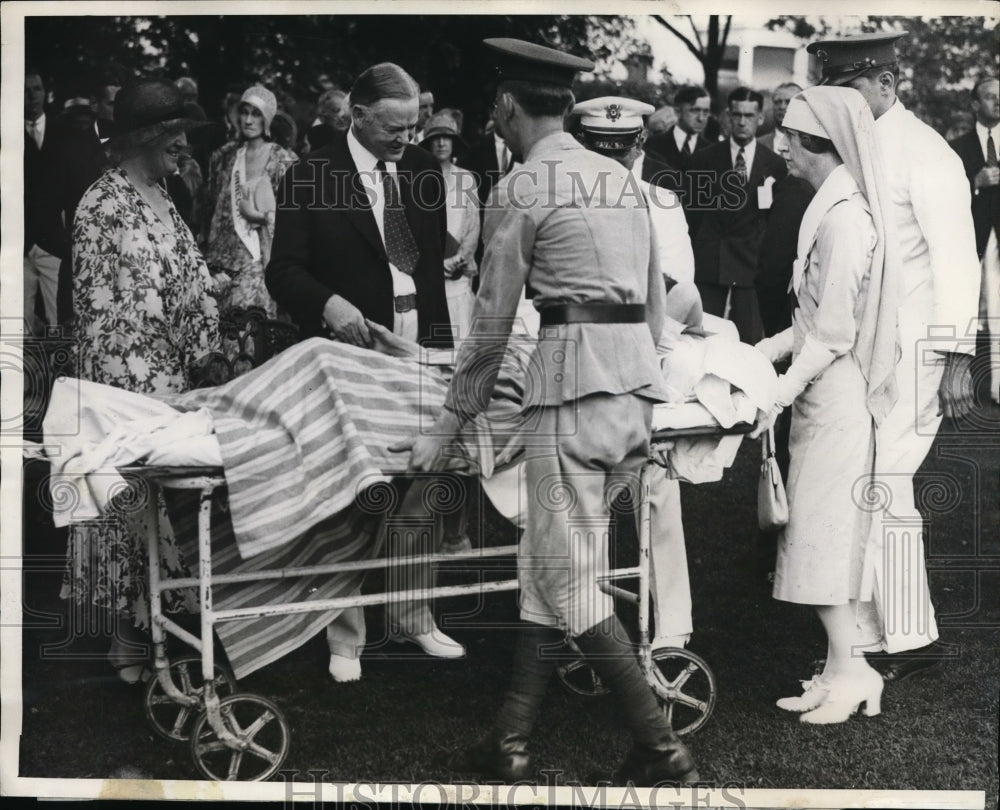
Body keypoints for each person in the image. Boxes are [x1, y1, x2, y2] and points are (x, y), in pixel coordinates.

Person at [400, 38, 700, 786]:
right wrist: (640, 383)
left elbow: (491, 326)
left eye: (493, 108)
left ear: (505, 108)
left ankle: (663, 750)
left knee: (568, 582)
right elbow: (658, 308)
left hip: (567, 395)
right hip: (631, 397)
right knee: (555, 568)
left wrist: (447, 425)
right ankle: (508, 741)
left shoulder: (521, 187)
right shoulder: (622, 180)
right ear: (564, 104)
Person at [266, 62, 457, 680]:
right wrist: (329, 304)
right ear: (357, 112)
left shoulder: (426, 170)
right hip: (346, 345)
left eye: (414, 126)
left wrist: (437, 345)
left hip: (417, 340)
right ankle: (344, 635)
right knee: (353, 487)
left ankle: (413, 616)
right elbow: (283, 270)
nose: (407, 138)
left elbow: (428, 269)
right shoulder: (310, 174)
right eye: (395, 128)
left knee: (423, 481)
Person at [807, 32, 981, 682]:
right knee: (872, 486)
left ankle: (907, 637)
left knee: (881, 485)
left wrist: (958, 355)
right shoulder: (853, 152)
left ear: (888, 81)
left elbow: (957, 264)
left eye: (852, 87)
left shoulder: (928, 153)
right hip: (862, 350)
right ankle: (887, 631)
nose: (844, 102)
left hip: (914, 353)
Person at [751, 85, 903, 723]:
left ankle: (854, 671)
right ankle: (843, 667)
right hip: (820, 394)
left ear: (820, 145)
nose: (779, 147)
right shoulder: (828, 206)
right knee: (812, 532)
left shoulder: (844, 220)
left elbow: (835, 335)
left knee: (824, 535)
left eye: (789, 137)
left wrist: (777, 391)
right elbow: (811, 317)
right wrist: (766, 347)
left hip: (835, 399)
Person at [66, 79, 222, 682]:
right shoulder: (102, 205)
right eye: (178, 135)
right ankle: (131, 639)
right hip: (124, 378)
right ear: (149, 136)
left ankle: (158, 625)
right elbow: (111, 312)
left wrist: (210, 317)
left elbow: (186, 275)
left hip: (170, 371)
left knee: (165, 509)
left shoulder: (163, 192)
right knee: (132, 503)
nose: (185, 147)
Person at [573, 95, 699, 650]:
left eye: (621, 151)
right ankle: (589, 624)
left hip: (650, 356)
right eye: (602, 150)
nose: (613, 160)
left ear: (639, 145)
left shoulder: (661, 201)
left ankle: (672, 626)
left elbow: (677, 287)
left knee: (658, 490)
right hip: (583, 363)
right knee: (583, 501)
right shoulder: (565, 196)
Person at [686, 87, 788, 344]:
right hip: (711, 262)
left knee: (749, 338)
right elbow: (693, 215)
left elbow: (774, 219)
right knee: (703, 335)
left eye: (749, 116)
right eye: (737, 115)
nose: (743, 122)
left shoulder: (774, 164)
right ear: (727, 117)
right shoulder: (705, 159)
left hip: (752, 264)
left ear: (760, 119)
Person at [203, 85, 298, 318]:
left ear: (267, 118)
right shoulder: (223, 157)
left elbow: (295, 216)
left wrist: (261, 217)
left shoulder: (283, 160)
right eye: (244, 113)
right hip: (219, 259)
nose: (248, 120)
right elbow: (209, 206)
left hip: (259, 260)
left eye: (256, 114)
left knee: (249, 330)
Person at [950, 77, 999, 405]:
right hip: (970, 238)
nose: (998, 102)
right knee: (961, 307)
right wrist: (975, 182)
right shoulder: (957, 148)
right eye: (990, 97)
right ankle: (956, 384)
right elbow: (947, 194)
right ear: (974, 104)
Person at [419, 110, 480, 341]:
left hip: (459, 270)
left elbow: (474, 224)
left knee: (461, 332)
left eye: (447, 138)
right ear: (428, 143)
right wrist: (435, 263)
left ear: (454, 143)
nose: (442, 143)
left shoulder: (467, 178)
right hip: (430, 270)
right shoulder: (417, 178)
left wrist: (459, 258)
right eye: (436, 138)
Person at [24, 69, 61, 335]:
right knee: (18, 327)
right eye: (25, 91)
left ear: (45, 92)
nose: (31, 96)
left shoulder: (64, 133)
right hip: (19, 247)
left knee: (58, 321)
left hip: (54, 243)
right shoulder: (8, 134)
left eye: (36, 89)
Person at [643, 85, 713, 186]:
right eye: (694, 111)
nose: (701, 118)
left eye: (706, 112)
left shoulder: (712, 150)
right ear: (678, 112)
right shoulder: (653, 144)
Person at [758, 82, 803, 154]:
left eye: (788, 102)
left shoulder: (811, 145)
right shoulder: (758, 144)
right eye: (777, 102)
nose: (782, 107)